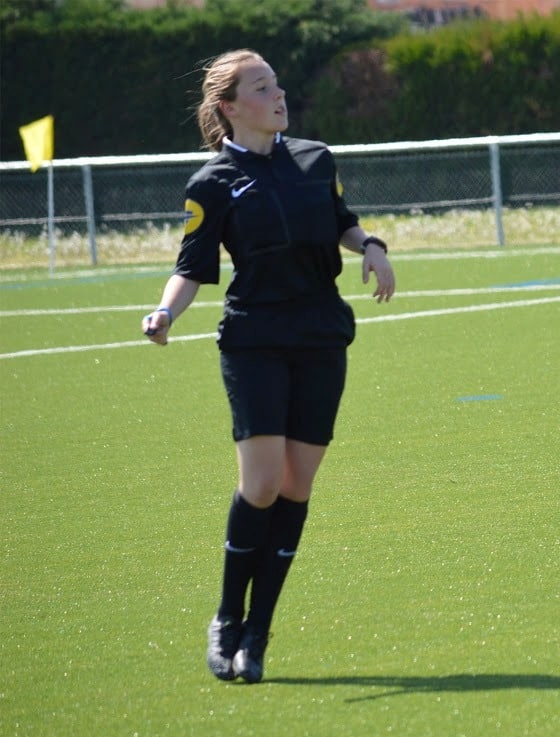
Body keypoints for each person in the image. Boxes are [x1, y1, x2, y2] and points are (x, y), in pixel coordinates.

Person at [141, 49, 396, 683]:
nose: (279, 95)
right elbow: (192, 266)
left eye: (278, 84)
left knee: (296, 487)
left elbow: (342, 222)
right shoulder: (212, 183)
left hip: (320, 336)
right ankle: (228, 617)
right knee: (260, 483)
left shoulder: (315, 158)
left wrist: (372, 246)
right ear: (230, 109)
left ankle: (259, 632)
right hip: (254, 340)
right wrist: (165, 313)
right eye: (263, 88)